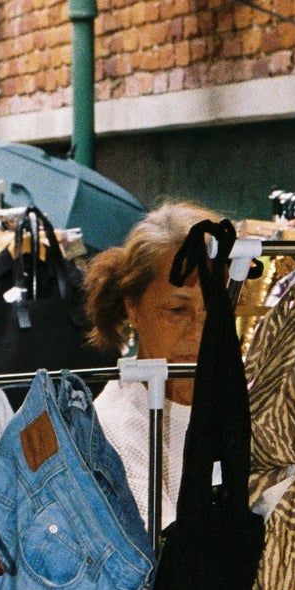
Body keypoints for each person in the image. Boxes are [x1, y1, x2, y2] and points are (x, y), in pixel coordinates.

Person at [84, 202, 217, 534]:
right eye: (177, 309)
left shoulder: (246, 404)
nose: (199, 330)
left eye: (215, 310)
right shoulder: (113, 428)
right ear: (133, 309)